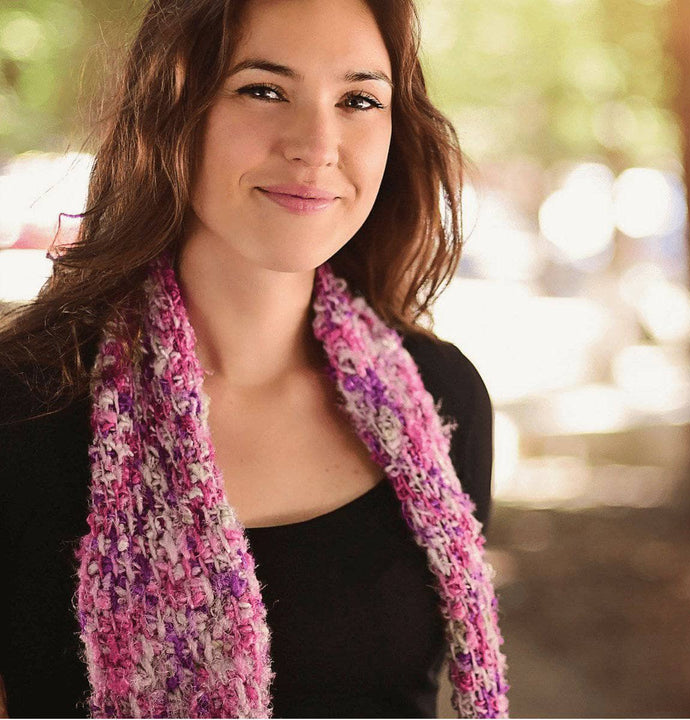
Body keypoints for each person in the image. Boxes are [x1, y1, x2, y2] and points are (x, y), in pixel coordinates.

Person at [0, 0, 510, 717]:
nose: (316, 143)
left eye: (359, 99)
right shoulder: (24, 405)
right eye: (264, 90)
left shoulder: (443, 397)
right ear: (176, 106)